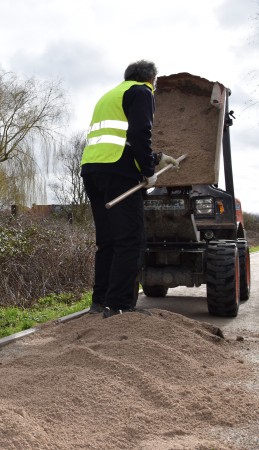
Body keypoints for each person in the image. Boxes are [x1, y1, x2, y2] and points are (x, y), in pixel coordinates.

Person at [80, 60, 178, 319]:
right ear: (150, 79)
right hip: (119, 174)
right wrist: (148, 171)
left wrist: (157, 157)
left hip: (93, 170)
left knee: (108, 240)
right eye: (155, 82)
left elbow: (119, 138)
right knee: (131, 239)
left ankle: (100, 302)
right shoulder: (142, 92)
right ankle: (120, 306)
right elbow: (138, 133)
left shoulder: (109, 96)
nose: (155, 86)